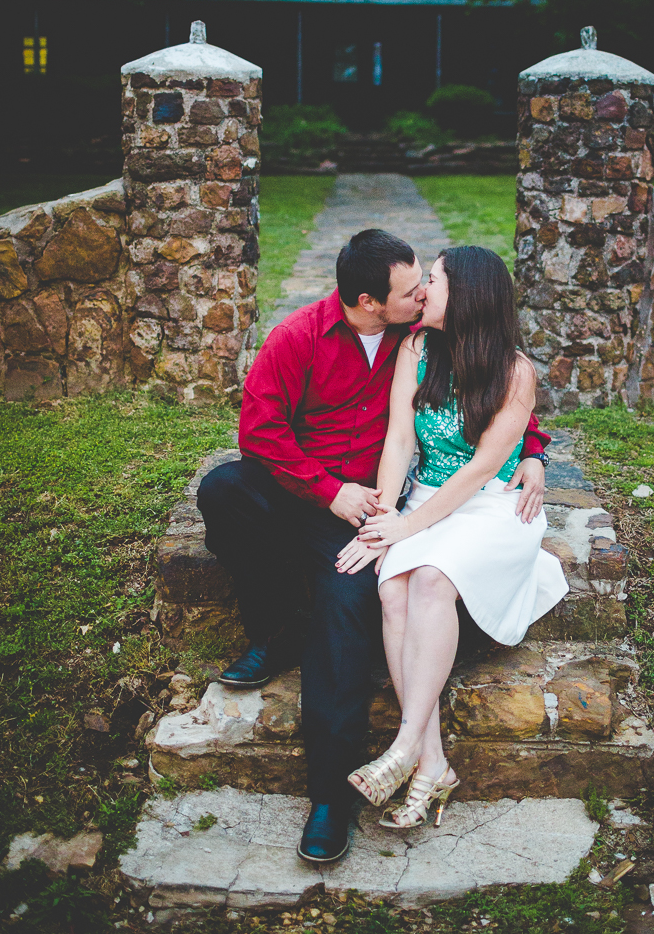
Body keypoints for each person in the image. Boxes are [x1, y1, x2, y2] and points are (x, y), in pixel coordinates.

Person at [196, 229, 552, 864]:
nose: (421, 293)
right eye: (410, 288)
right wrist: (329, 490)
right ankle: (274, 629)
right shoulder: (301, 336)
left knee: (347, 606)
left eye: (427, 281)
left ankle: (332, 795)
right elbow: (260, 431)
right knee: (223, 490)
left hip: (371, 505)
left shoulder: (420, 336)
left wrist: (532, 453)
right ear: (368, 301)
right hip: (312, 489)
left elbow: (494, 392)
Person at [338, 246, 568, 827]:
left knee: (434, 581)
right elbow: (399, 441)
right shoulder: (417, 348)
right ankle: (431, 762)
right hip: (422, 500)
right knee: (394, 590)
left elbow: (481, 469)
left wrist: (408, 529)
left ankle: (405, 744)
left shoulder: (516, 373)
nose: (423, 291)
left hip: (490, 509)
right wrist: (383, 521)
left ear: (465, 296)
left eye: (433, 281)